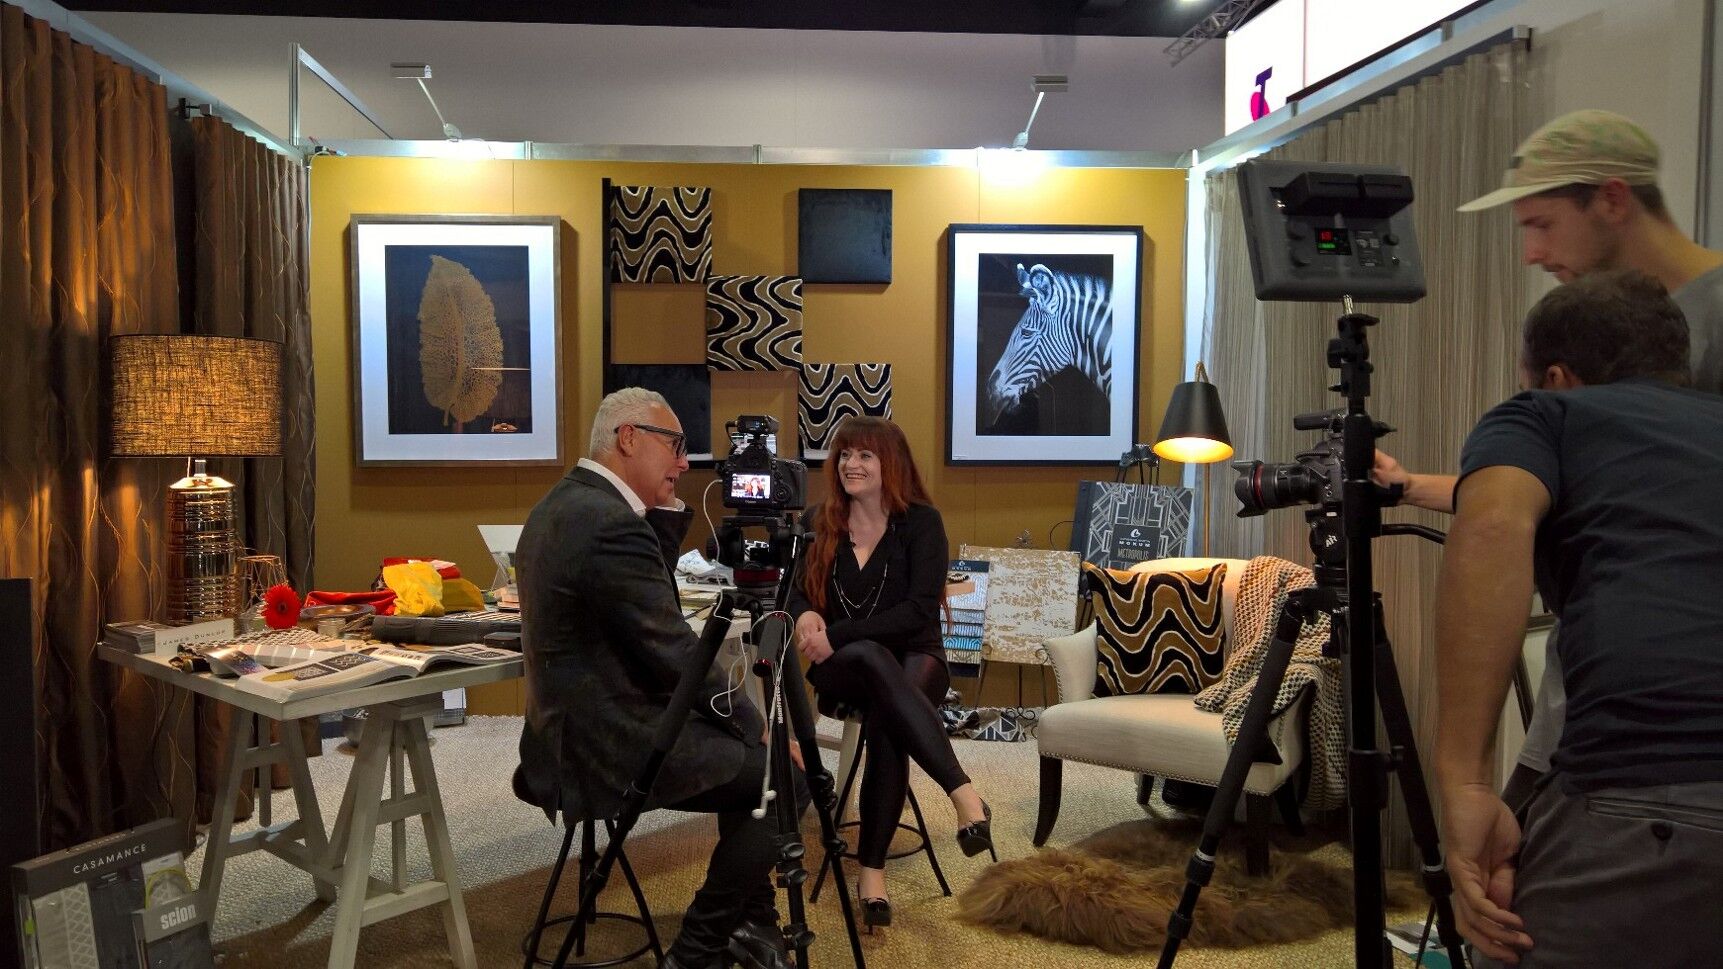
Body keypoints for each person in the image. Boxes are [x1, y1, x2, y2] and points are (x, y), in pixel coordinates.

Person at [1378, 109, 1723, 806]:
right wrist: (1412, 486)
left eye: (1541, 224)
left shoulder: (1711, 321)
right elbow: (1556, 491)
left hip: (1664, 743)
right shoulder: (1626, 324)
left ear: (1612, 199)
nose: (1532, 254)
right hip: (1584, 704)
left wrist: (1461, 776)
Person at [1432, 270, 1723, 967]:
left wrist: (1465, 783)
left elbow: (1493, 525)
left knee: (1503, 942)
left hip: (1650, 776)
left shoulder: (1543, 416)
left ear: (1556, 377)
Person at [514, 387, 799, 969]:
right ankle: (699, 948)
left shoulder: (563, 505)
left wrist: (661, 516)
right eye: (674, 445)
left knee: (752, 760)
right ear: (628, 438)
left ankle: (753, 922)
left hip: (563, 734)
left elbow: (648, 612)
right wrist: (756, 724)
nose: (685, 462)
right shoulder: (608, 524)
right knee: (781, 775)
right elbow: (673, 652)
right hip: (605, 745)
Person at [784, 416, 992, 928]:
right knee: (872, 659)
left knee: (886, 724)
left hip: (916, 654)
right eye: (844, 454)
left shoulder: (921, 523)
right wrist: (806, 614)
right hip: (843, 666)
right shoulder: (818, 519)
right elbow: (793, 591)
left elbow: (919, 612)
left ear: (891, 463)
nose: (850, 464)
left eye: (865, 455)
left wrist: (838, 633)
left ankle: (870, 874)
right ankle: (964, 795)